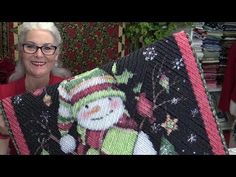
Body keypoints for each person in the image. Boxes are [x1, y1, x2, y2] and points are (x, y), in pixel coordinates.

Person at [0, 22, 72, 155]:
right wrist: (3, 134)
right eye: (30, 46)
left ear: (56, 54)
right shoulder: (2, 95)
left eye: (48, 48)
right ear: (21, 51)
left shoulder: (69, 92)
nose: (39, 54)